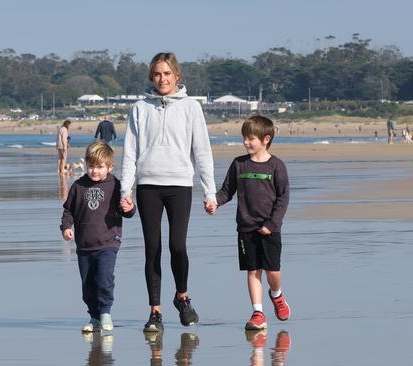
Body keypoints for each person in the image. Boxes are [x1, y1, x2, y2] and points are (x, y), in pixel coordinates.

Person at [120, 52, 217, 332]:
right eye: (157, 74)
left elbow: (202, 152)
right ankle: (155, 311)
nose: (162, 79)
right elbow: (130, 152)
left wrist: (209, 192)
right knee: (152, 249)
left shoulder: (191, 108)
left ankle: (182, 297)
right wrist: (125, 189)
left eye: (167, 74)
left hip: (179, 185)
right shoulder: (139, 108)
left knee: (177, 246)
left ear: (177, 76)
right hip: (148, 185)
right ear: (152, 77)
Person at [206, 115, 291, 331]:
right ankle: (258, 313)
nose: (245, 142)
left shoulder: (276, 166)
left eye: (250, 138)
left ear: (266, 139)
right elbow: (227, 191)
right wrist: (214, 202)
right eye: (244, 138)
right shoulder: (239, 164)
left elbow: (283, 198)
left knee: (272, 271)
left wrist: (272, 224)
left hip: (270, 229)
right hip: (246, 227)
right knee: (253, 271)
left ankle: (277, 295)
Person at [60, 141, 135, 333]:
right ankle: (94, 317)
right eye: (91, 166)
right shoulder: (78, 186)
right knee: (88, 283)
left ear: (109, 167)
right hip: (84, 245)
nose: (94, 171)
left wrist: (130, 208)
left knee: (104, 277)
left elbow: (125, 210)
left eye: (100, 167)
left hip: (108, 242)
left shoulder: (115, 185)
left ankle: (105, 313)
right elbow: (69, 210)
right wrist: (66, 227)